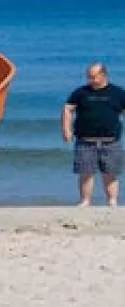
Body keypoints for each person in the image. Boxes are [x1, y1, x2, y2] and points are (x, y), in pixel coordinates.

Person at [62, 61, 125, 207]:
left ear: (103, 75)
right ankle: (85, 201)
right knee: (85, 173)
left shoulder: (118, 93)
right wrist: (66, 129)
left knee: (110, 173)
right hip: (85, 140)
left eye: (93, 76)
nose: (90, 80)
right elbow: (67, 108)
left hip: (110, 140)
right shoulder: (81, 92)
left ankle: (112, 201)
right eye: (88, 76)